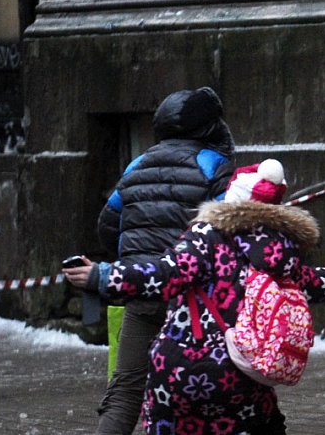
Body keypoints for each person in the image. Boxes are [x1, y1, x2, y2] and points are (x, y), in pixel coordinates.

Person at [64, 158, 325, 435]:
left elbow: (161, 276)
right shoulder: (282, 249)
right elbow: (316, 283)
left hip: (177, 372)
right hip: (242, 374)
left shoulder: (206, 237)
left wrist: (103, 276)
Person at [94, 86, 236, 435]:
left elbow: (107, 224)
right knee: (203, 395)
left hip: (142, 295)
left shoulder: (137, 165)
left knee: (125, 391)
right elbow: (230, 230)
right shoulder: (215, 166)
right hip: (195, 302)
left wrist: (136, 263)